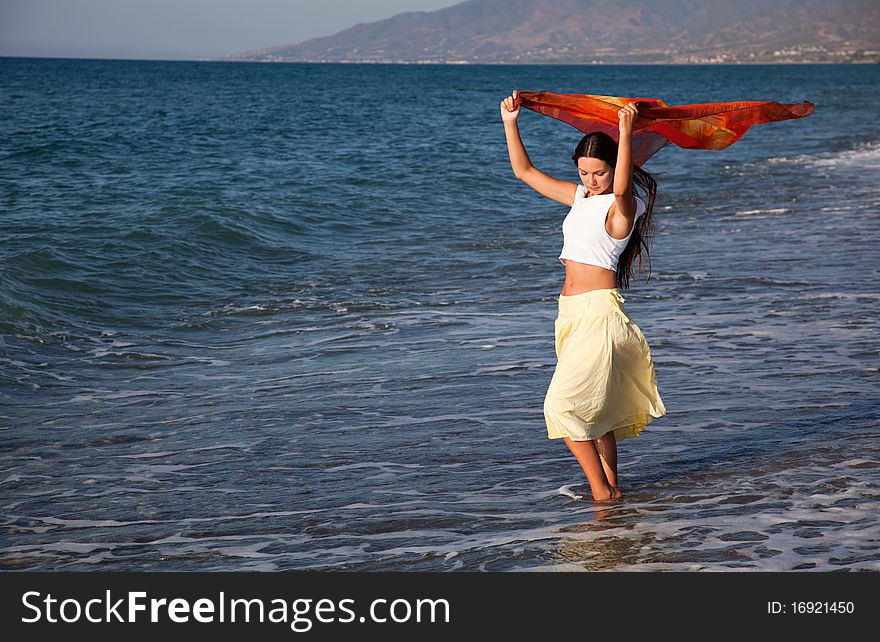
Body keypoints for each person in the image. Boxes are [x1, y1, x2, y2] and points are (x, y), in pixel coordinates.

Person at [500, 89, 667, 503]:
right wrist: (511, 123)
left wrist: (625, 132)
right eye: (584, 172)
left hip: (599, 317)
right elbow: (525, 172)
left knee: (561, 409)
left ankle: (600, 495)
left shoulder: (623, 209)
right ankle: (613, 490)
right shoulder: (580, 198)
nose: (591, 180)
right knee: (598, 412)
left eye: (599, 173)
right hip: (570, 316)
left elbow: (624, 185)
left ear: (615, 169)